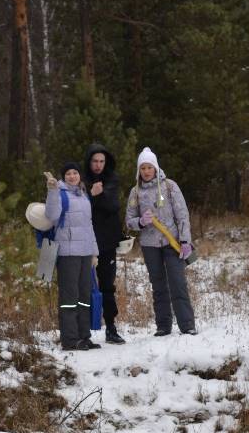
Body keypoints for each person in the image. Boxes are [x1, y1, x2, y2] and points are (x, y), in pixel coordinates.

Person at [125, 147, 196, 336]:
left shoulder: (170, 186)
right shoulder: (135, 192)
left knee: (177, 282)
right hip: (150, 246)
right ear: (138, 171)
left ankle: (187, 325)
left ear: (156, 168)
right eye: (143, 168)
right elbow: (129, 220)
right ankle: (163, 326)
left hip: (172, 243)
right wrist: (140, 222)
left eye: (149, 167)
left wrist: (185, 240)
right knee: (158, 285)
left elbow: (182, 215)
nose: (146, 171)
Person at [44, 162, 100, 351]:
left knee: (84, 295)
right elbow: (51, 215)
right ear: (63, 177)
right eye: (68, 173)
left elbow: (89, 225)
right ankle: (70, 339)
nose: (72, 176)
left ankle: (84, 336)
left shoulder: (83, 195)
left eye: (75, 172)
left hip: (85, 253)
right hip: (67, 253)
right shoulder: (59, 193)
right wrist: (52, 191)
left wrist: (94, 252)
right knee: (69, 297)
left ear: (79, 176)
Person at [83, 143, 125, 344]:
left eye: (101, 161)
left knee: (107, 285)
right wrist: (92, 196)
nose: (98, 165)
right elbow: (80, 209)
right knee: (83, 285)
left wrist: (99, 195)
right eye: (94, 161)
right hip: (85, 241)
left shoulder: (111, 179)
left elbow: (114, 206)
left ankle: (111, 327)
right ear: (89, 161)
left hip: (107, 241)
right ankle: (83, 330)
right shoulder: (80, 180)